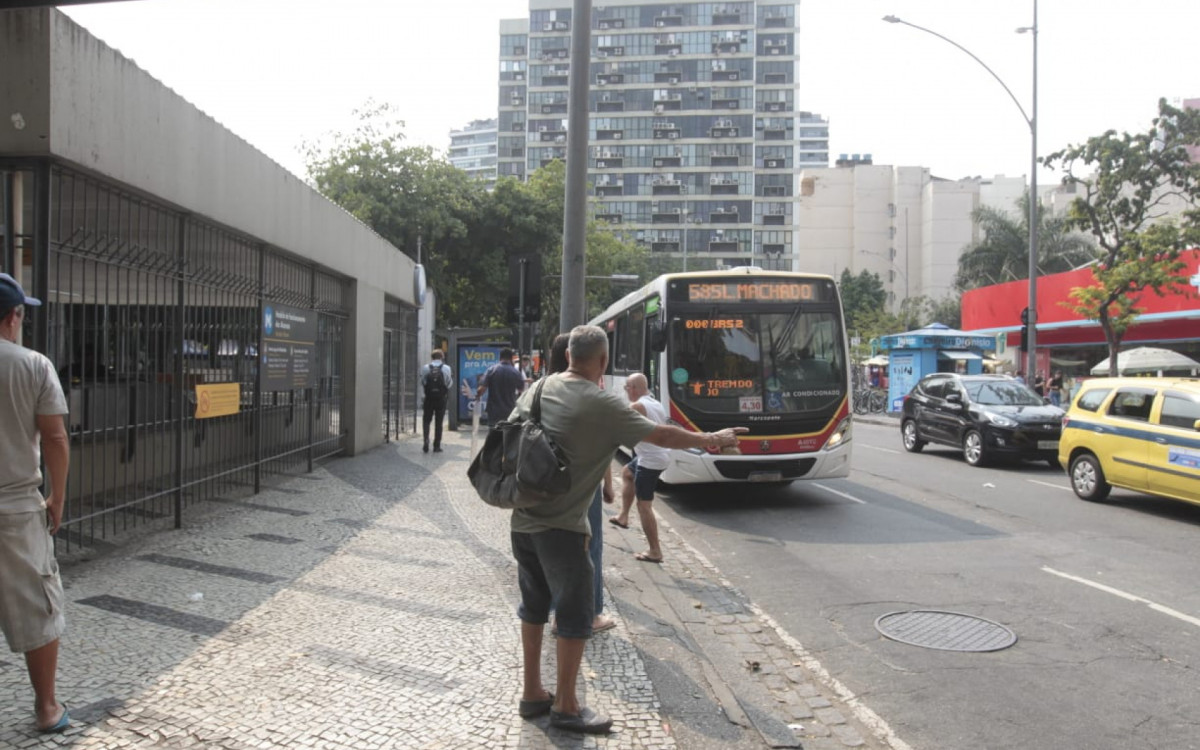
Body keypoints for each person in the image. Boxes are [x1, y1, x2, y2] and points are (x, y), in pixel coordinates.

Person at [509, 325, 745, 733]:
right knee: (574, 613)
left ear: (569, 357)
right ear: (602, 362)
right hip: (562, 529)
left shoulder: (539, 388)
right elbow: (662, 435)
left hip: (522, 520)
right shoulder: (599, 402)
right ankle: (566, 704)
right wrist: (711, 438)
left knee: (532, 606)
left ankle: (532, 693)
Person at [0, 273, 72, 734]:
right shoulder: (33, 365)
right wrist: (57, 496)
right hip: (16, 508)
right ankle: (46, 707)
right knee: (37, 606)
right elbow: (55, 437)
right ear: (13, 317)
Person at [547, 333, 615, 634]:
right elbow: (603, 444)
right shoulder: (592, 395)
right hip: (583, 488)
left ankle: (556, 612)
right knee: (589, 549)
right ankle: (590, 614)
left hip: (546, 484)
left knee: (552, 550)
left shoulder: (543, 389)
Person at [609, 372, 671, 564]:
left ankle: (655, 551)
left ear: (634, 388)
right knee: (627, 473)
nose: (626, 391)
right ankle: (623, 517)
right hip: (657, 455)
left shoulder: (637, 406)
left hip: (650, 460)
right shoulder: (654, 402)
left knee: (644, 505)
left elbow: (618, 428)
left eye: (627, 388)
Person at [475, 347, 525, 429]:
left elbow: (481, 390)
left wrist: (477, 396)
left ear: (500, 357)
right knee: (507, 435)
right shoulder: (515, 372)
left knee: (493, 436)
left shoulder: (491, 370)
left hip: (494, 411)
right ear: (511, 358)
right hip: (510, 410)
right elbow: (521, 390)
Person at [419, 349, 452, 453]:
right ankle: (436, 446)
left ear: (432, 357)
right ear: (442, 357)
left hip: (429, 398)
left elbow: (422, 382)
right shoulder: (447, 368)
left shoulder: (425, 368)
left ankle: (426, 440)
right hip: (441, 399)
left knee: (426, 420)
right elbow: (449, 383)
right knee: (439, 422)